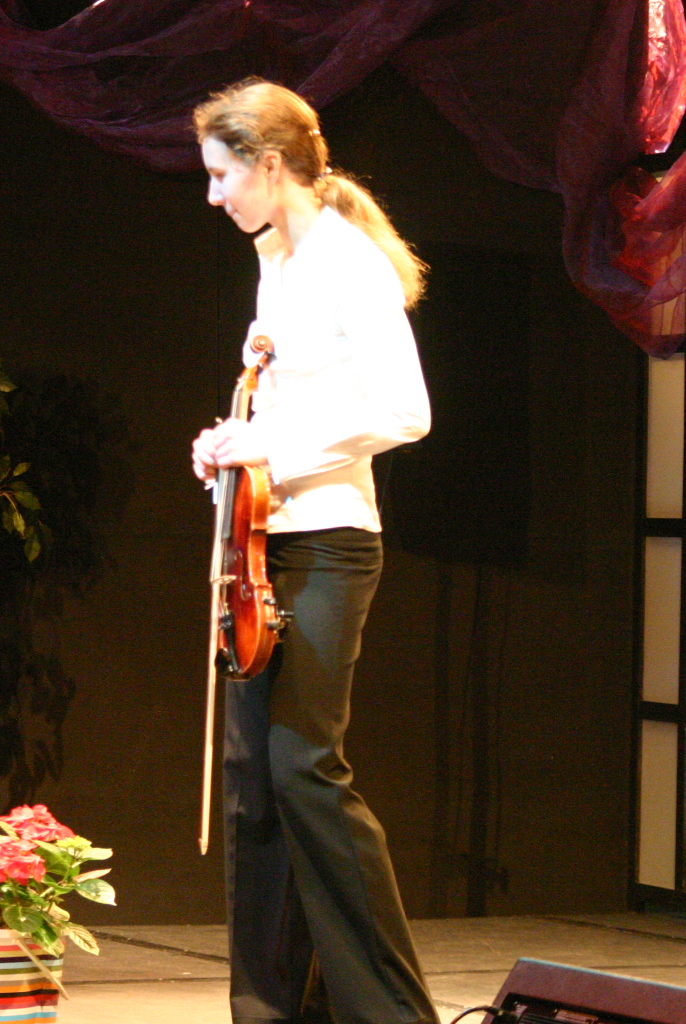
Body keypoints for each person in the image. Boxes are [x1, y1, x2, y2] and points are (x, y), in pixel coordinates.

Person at [189, 81, 437, 1024]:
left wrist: (271, 450)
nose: (214, 194)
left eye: (223, 175)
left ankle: (392, 1010)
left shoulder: (347, 264)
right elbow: (287, 407)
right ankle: (273, 1008)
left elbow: (404, 411)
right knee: (253, 784)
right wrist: (230, 445)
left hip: (330, 542)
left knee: (304, 767)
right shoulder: (280, 263)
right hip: (265, 540)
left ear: (269, 163)